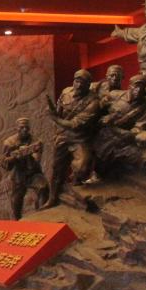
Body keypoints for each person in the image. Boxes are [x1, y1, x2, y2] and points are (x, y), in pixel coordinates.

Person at [45, 70, 100, 207]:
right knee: (57, 169)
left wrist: (55, 118)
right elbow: (59, 111)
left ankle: (75, 182)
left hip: (79, 138)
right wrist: (53, 111)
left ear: (88, 85)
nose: (78, 85)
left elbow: (75, 124)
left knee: (82, 167)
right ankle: (52, 198)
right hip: (63, 137)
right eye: (77, 81)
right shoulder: (66, 92)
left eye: (83, 82)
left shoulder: (93, 102)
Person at [0, 118, 48, 220]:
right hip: (18, 174)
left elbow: (37, 159)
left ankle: (42, 215)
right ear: (16, 128)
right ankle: (17, 220)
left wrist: (30, 152)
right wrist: (15, 157)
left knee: (43, 187)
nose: (25, 129)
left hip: (33, 173)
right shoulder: (9, 142)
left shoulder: (35, 141)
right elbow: (5, 164)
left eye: (27, 127)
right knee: (17, 199)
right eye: (22, 127)